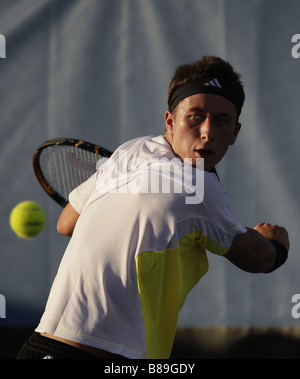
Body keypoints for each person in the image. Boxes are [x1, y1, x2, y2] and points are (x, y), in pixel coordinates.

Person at [17, 56, 289, 359]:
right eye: (195, 117)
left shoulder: (130, 151)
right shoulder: (200, 188)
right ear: (170, 122)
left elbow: (66, 222)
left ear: (235, 132)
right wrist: (276, 246)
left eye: (222, 120)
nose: (208, 131)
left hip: (40, 344)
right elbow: (255, 256)